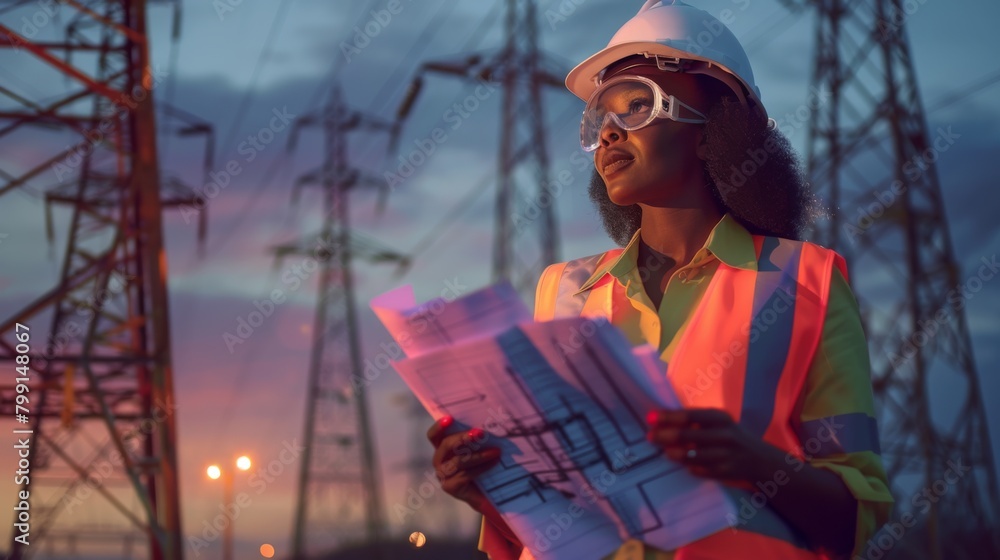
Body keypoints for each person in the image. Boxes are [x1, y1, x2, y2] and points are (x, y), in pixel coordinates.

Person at [427, 1, 893, 558]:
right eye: (601, 118)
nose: (608, 134)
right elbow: (555, 523)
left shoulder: (808, 283)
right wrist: (485, 489)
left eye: (637, 107)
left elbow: (854, 519)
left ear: (714, 130)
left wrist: (754, 462)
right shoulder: (564, 290)